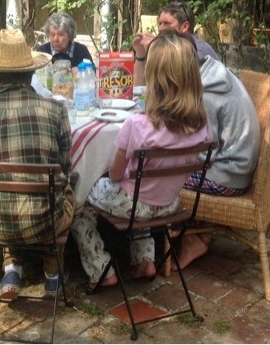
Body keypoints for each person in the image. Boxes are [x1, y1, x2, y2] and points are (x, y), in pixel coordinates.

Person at [71, 31, 213, 289]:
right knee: (138, 189)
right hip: (170, 203)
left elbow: (115, 175)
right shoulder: (203, 125)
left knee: (79, 201)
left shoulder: (138, 124)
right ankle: (144, 260)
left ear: (154, 79)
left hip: (134, 205)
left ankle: (101, 269)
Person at [132, 26, 260, 270]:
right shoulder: (212, 73)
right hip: (236, 165)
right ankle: (194, 233)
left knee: (155, 174)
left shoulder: (205, 95)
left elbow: (199, 153)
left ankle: (187, 239)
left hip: (227, 176)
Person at [0, 29, 76, 301]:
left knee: (1, 188)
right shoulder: (55, 111)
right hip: (47, 221)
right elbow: (64, 168)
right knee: (66, 187)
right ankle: (53, 274)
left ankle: (11, 269)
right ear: (32, 72)